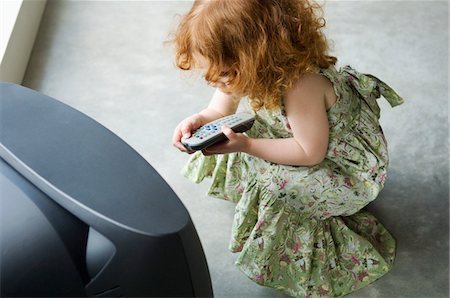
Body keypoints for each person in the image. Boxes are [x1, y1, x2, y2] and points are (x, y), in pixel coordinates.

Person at [170, 0, 404, 297]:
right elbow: (219, 107)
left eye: (226, 73)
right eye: (212, 73)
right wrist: (200, 120)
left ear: (259, 56)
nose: (218, 82)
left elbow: (309, 153)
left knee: (281, 186)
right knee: (239, 131)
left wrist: (248, 146)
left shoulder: (301, 86)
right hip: (304, 138)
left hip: (339, 164)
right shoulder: (248, 69)